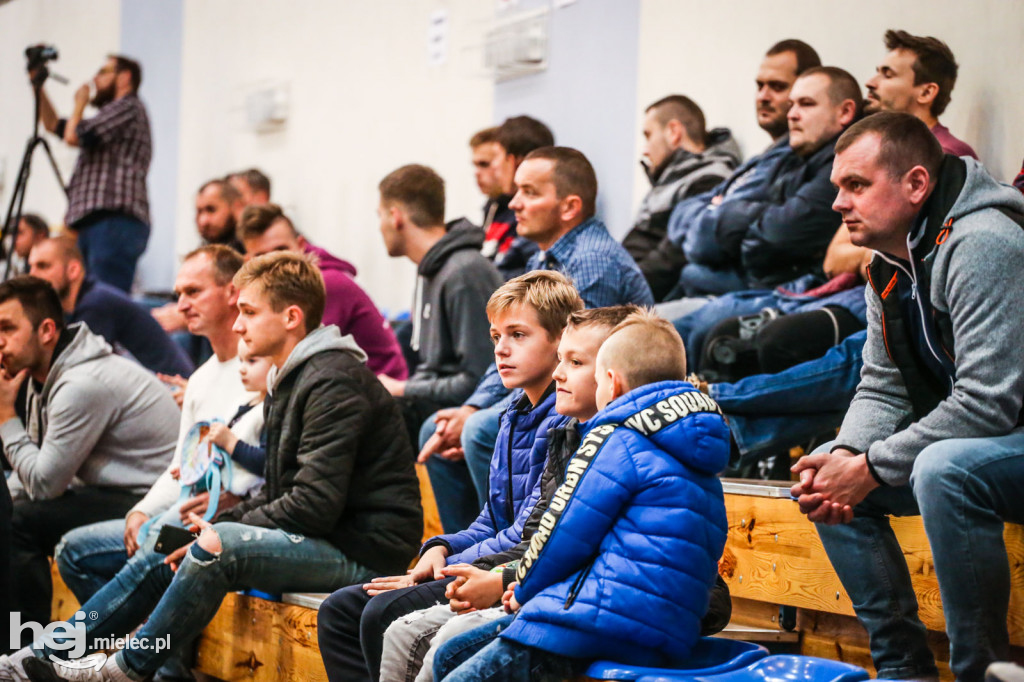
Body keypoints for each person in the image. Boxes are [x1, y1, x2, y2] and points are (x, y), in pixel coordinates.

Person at [4, 251, 423, 682]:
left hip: (367, 550)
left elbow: (313, 504)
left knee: (217, 546)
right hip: (334, 534)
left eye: (248, 312)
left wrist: (219, 528)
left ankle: (124, 670)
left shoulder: (333, 380)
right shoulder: (292, 377)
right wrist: (208, 525)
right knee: (178, 540)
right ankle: (51, 655)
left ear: (292, 317)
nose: (238, 324)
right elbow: (280, 492)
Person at [789, 112, 1024, 682]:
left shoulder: (985, 243)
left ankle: (982, 670)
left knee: (944, 468)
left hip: (1001, 440)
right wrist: (846, 455)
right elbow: (883, 383)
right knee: (827, 475)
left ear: (916, 184)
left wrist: (870, 465)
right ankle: (903, 671)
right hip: (993, 446)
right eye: (838, 188)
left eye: (857, 185)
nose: (840, 204)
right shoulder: (889, 263)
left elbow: (989, 404)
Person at [378, 304, 730, 682]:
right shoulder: (700, 455)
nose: (559, 374)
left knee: (453, 662)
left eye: (579, 365)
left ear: (611, 383)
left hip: (589, 624)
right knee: (448, 652)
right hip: (658, 632)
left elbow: (562, 533)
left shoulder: (613, 441)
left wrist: (522, 586)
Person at [317, 270, 581, 682]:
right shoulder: (513, 413)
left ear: (560, 341)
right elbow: (492, 518)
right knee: (338, 611)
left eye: (518, 335)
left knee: (379, 613)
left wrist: (445, 565)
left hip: (515, 574)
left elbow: (528, 534)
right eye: (496, 337)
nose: (502, 350)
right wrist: (439, 547)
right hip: (490, 560)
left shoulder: (566, 421)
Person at [421, 146, 654, 532]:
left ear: (569, 207)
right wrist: (470, 405)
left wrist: (473, 414)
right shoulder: (542, 259)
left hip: (594, 404)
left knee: (480, 430)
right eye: (516, 191)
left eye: (530, 192)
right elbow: (520, 345)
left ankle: (496, 551)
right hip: (551, 390)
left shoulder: (592, 259)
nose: (514, 203)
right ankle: (467, 547)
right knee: (442, 427)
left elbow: (577, 358)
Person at [50, 246, 256, 681]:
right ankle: (160, 658)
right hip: (181, 508)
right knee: (76, 550)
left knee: (161, 542)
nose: (181, 305)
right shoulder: (201, 377)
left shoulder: (261, 369)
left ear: (232, 292)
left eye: (194, 291)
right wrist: (141, 509)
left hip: (226, 519)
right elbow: (178, 463)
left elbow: (261, 464)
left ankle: (65, 655)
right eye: (179, 292)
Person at [0, 276, 179, 638]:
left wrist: (5, 416)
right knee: (10, 507)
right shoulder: (45, 377)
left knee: (21, 521)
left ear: (47, 330)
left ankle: (22, 646)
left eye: (7, 328)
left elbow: (45, 485)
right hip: (111, 493)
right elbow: (35, 468)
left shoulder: (81, 383)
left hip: (155, 504)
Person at [650, 39, 820, 306]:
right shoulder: (759, 158)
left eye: (777, 87)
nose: (763, 96)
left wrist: (715, 210)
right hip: (699, 287)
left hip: (738, 297)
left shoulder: (794, 160)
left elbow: (706, 239)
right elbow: (682, 215)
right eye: (759, 85)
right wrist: (713, 211)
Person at [676, 66, 860, 299]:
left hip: (779, 292)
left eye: (806, 104)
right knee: (689, 276)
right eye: (792, 104)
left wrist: (730, 212)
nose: (791, 114)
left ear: (844, 112)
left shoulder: (840, 164)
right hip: (748, 280)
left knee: (689, 290)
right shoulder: (791, 156)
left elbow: (775, 237)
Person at [374, 164, 503, 449]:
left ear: (395, 217)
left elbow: (480, 377)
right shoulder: (433, 270)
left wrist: (402, 388)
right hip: (435, 401)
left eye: (379, 216)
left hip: (463, 408)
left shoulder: (464, 273)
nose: (379, 226)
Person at [237, 203, 407, 380]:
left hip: (382, 391)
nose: (275, 263)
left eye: (281, 250)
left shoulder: (325, 284)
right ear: (248, 261)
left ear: (301, 245)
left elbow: (298, 358)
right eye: (262, 257)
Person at [34, 55, 151, 293]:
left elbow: (72, 135)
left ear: (125, 76)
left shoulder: (127, 106)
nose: (95, 79)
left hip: (112, 219)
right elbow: (52, 124)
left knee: (103, 298)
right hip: (94, 222)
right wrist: (38, 87)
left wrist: (80, 102)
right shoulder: (112, 114)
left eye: (103, 72)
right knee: (85, 300)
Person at [622, 95, 741, 299]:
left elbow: (672, 261)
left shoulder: (708, 180)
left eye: (648, 135)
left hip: (646, 302)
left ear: (674, 133)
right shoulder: (673, 181)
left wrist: (617, 288)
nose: (645, 150)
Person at [28, 237, 194, 377]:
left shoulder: (96, 304)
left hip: (172, 388)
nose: (32, 275)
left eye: (43, 266)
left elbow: (77, 370)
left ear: (73, 270)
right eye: (31, 267)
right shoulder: (82, 304)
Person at [864, 30, 977, 159]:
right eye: (878, 73)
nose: (870, 83)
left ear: (926, 92)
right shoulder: (888, 148)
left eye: (888, 75)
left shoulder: (944, 155)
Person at [470, 118, 552, 280]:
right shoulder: (493, 207)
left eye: (492, 161)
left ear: (514, 161)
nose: (494, 167)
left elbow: (528, 282)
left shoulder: (536, 214)